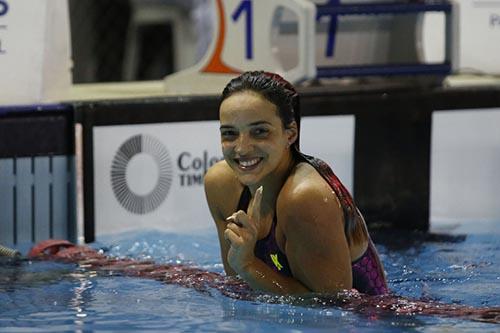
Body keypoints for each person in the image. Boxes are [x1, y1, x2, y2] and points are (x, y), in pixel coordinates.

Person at [204, 71, 388, 295]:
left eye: (260, 132)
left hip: (370, 320)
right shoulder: (221, 186)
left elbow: (332, 307)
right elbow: (239, 285)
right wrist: (243, 266)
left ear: (290, 134)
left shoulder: (304, 197)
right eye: (230, 134)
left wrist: (248, 265)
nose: (242, 148)